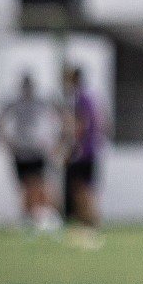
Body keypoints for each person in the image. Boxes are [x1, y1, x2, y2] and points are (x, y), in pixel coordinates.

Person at [0, 73, 62, 231]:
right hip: (20, 151)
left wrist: (53, 141)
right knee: (25, 187)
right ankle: (28, 218)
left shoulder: (40, 102)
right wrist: (6, 141)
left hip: (36, 151)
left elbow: (58, 116)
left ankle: (44, 216)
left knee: (39, 185)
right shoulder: (15, 103)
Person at [60, 66, 103, 246]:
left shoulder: (80, 99)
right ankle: (88, 226)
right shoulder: (88, 97)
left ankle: (91, 225)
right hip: (90, 150)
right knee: (83, 189)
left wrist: (70, 149)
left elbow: (80, 125)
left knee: (81, 190)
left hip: (83, 153)